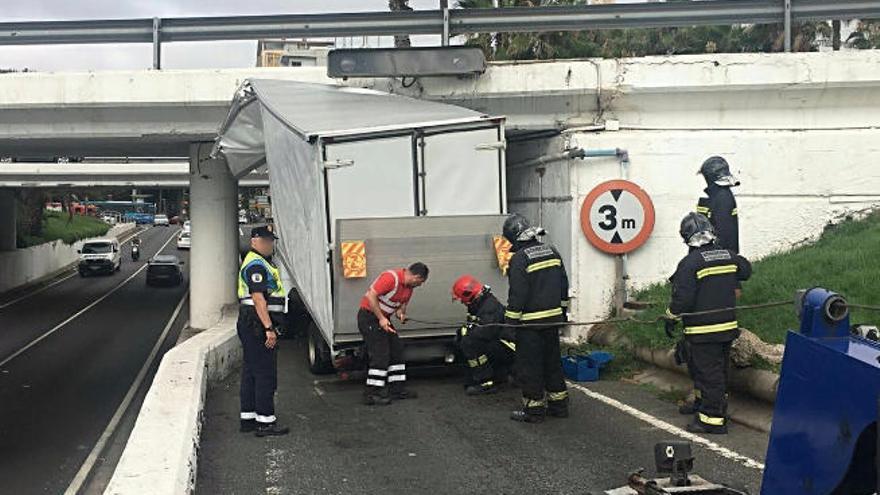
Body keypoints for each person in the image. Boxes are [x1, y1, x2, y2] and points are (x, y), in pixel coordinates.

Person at [664, 212, 751, 435]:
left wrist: (670, 316)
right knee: (713, 372)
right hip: (727, 328)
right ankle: (703, 405)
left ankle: (712, 419)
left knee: (708, 374)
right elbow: (746, 270)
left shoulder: (689, 264)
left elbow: (683, 299)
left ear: (686, 237)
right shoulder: (729, 256)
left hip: (703, 331)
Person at [502, 214, 570, 423]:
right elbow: (563, 285)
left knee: (530, 366)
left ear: (514, 238)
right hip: (553, 320)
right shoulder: (552, 251)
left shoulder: (520, 258)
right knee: (552, 363)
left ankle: (534, 410)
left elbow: (518, 295)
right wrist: (562, 313)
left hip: (530, 324)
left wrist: (509, 324)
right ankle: (559, 406)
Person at [237, 226, 289, 437]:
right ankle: (266, 422)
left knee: (251, 372)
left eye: (271, 241)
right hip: (257, 324)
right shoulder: (257, 265)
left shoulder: (258, 262)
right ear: (254, 241)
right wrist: (269, 328)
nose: (270, 245)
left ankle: (248, 419)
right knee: (265, 373)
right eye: (266, 241)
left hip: (251, 323)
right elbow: (258, 299)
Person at [358, 262, 429, 406]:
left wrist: (401, 315)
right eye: (420, 282)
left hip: (383, 319)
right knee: (380, 355)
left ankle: (397, 389)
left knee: (396, 350)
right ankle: (372, 394)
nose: (420, 285)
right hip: (369, 318)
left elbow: (399, 308)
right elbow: (371, 296)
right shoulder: (391, 278)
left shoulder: (409, 288)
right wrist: (382, 319)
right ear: (416, 276)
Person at [451, 274, 516, 396]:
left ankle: (486, 382)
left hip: (509, 349)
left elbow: (484, 332)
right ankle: (495, 376)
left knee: (469, 343)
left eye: (461, 298)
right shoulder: (479, 303)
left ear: (468, 294)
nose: (461, 301)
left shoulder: (489, 307)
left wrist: (465, 335)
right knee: (465, 340)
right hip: (499, 344)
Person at [696, 156, 740, 254]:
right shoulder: (720, 195)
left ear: (710, 176)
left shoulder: (722, 197)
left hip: (720, 256)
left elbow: (724, 232)